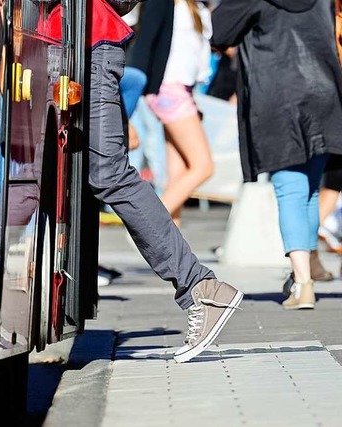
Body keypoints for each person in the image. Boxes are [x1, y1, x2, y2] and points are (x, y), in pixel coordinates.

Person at [40, 0, 243, 363]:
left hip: (87, 44)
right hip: (72, 42)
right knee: (47, 173)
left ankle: (201, 286)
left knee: (109, 175)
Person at [212, 0, 342, 309]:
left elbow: (220, 32)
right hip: (324, 92)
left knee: (292, 190)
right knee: (309, 189)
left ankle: (303, 284)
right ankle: (308, 267)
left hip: (278, 96)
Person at [142, 0, 215, 227]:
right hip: (171, 87)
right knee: (203, 166)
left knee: (180, 170)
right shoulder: (169, 6)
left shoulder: (196, 9)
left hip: (183, 88)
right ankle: (148, 223)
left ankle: (170, 239)